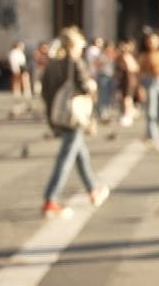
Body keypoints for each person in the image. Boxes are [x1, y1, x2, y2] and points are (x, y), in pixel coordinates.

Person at [39, 27, 109, 217]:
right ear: (74, 45)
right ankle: (51, 199)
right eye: (80, 44)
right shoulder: (74, 62)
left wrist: (51, 119)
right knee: (66, 158)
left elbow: (45, 91)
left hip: (58, 114)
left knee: (80, 153)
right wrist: (92, 87)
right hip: (73, 116)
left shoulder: (52, 64)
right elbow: (85, 87)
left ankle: (93, 190)